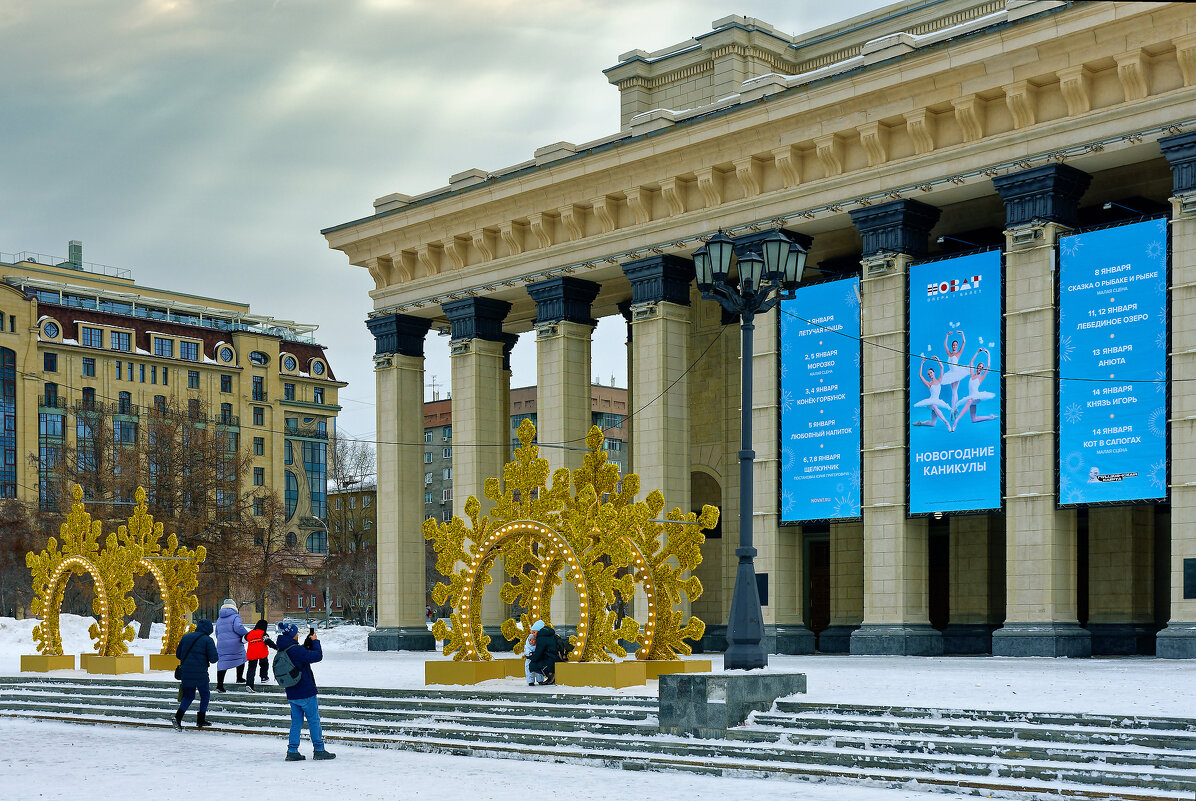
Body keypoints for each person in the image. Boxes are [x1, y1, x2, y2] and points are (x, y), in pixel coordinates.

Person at [276, 622, 335, 761]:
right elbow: (316, 656)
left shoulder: (283, 648)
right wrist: (315, 642)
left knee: (296, 722)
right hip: (306, 692)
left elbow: (300, 654)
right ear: (293, 634)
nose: (297, 634)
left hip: (292, 692)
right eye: (296, 632)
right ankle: (319, 749)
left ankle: (292, 750)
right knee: (314, 721)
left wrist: (306, 643)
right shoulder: (295, 650)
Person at [173, 618, 218, 730]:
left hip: (186, 673)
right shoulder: (208, 640)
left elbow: (178, 655)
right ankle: (201, 719)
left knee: (188, 696)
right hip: (201, 674)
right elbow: (213, 659)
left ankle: (178, 718)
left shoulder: (186, 637)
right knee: (205, 695)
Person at [214, 598, 249, 691]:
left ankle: (220, 685)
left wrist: (222, 640)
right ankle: (239, 678)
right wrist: (247, 634)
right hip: (235, 643)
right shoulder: (235, 616)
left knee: (222, 663)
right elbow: (238, 627)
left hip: (222, 644)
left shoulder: (219, 618)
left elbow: (216, 632)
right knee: (241, 658)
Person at [913, 356, 954, 431]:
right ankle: (946, 423)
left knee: (933, 424)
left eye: (931, 373)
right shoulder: (929, 384)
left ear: (934, 373)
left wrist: (938, 359)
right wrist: (922, 363)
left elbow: (942, 367)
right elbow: (920, 376)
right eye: (928, 374)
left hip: (937, 401)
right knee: (934, 406)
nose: (930, 375)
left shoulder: (939, 380)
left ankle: (920, 423)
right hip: (931, 402)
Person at [526, 619, 563, 686]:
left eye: (534, 632)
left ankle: (550, 675)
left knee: (533, 664)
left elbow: (538, 654)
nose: (533, 634)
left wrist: (530, 656)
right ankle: (550, 675)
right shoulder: (550, 635)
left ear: (538, 631)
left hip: (550, 661)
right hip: (556, 658)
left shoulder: (541, 638)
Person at [244, 619, 274, 693]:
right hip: (262, 653)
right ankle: (264, 677)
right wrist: (277, 648)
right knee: (264, 664)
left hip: (252, 654)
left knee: (251, 669)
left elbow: (243, 640)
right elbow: (269, 642)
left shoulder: (250, 633)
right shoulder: (263, 634)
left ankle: (249, 684)